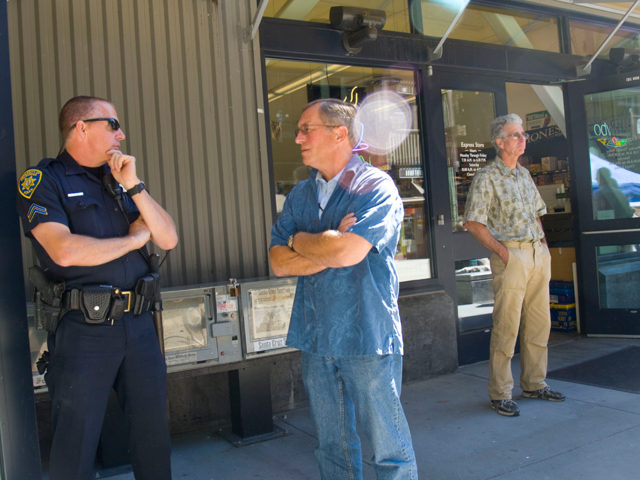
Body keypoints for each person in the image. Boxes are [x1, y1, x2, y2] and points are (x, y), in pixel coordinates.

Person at [17, 96, 178, 479]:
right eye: (112, 124)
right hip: (83, 331)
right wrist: (134, 241)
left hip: (138, 326)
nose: (121, 134)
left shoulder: (120, 179)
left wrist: (135, 186)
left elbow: (168, 237)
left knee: (153, 439)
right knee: (75, 446)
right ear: (81, 127)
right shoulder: (44, 180)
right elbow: (64, 250)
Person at [269, 98, 418, 479]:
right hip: (316, 336)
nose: (298, 138)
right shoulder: (301, 193)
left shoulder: (374, 186)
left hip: (366, 336)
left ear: (339, 134)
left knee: (390, 450)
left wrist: (300, 240)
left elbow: (349, 252)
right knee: (331, 448)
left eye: (306, 129)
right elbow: (277, 262)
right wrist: (323, 242)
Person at [463, 113, 565, 417]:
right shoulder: (486, 177)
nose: (523, 139)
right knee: (507, 325)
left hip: (536, 253)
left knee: (539, 323)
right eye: (516, 134)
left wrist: (543, 246)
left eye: (523, 134)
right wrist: (504, 253)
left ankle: (535, 382)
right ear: (500, 142)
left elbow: (536, 213)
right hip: (512, 256)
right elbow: (472, 222)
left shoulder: (524, 174)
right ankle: (500, 393)